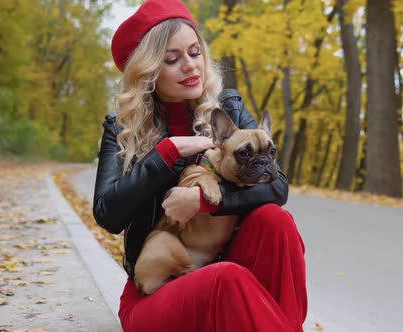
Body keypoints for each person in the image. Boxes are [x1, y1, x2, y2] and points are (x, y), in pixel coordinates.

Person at [92, 0, 307, 331]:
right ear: (149, 71)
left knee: (276, 221)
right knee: (225, 277)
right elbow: (108, 214)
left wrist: (203, 200)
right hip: (159, 291)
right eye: (172, 59)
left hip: (226, 270)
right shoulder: (121, 127)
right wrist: (164, 154)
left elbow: (278, 186)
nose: (191, 66)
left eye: (195, 52)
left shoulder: (228, 110)